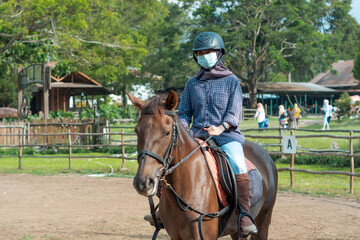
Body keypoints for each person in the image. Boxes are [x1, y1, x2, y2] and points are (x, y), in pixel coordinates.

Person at [177, 32, 257, 235]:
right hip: (197, 136)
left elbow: (235, 112)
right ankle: (164, 210)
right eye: (200, 53)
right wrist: (185, 129)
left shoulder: (231, 81)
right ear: (196, 57)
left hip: (226, 136)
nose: (205, 55)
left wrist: (220, 128)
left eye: (209, 52)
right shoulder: (191, 84)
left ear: (219, 53)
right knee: (173, 163)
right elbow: (184, 113)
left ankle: (244, 213)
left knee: (238, 163)